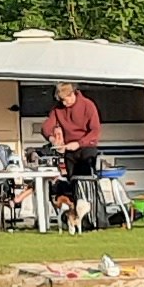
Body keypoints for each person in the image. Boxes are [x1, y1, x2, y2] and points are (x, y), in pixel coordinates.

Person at [43, 81, 104, 230]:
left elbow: (95, 131)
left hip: (87, 149)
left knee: (86, 183)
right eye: (61, 100)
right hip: (69, 151)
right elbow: (46, 127)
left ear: (72, 94)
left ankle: (94, 220)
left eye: (66, 99)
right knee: (74, 185)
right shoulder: (58, 109)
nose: (64, 103)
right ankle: (78, 220)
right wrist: (52, 139)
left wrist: (79, 143)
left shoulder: (88, 105)